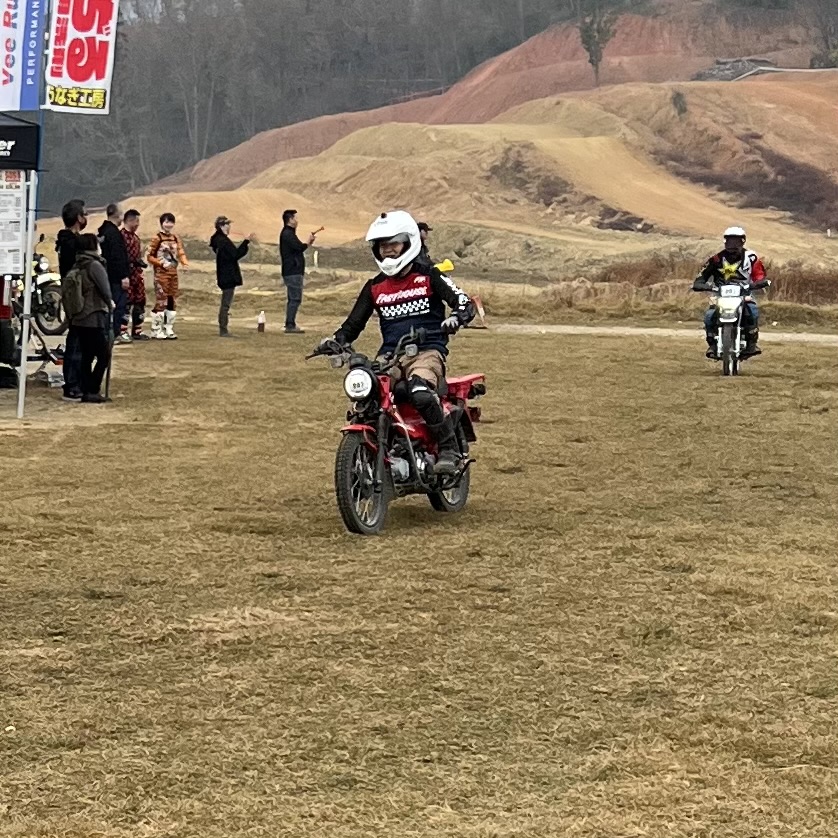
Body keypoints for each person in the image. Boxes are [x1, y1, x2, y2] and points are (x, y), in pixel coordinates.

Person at [318, 210, 476, 475]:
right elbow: (353, 325)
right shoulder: (375, 287)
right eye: (382, 245)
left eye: (394, 243)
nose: (388, 250)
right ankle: (382, 449)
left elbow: (463, 302)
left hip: (427, 352)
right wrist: (336, 341)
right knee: (367, 393)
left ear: (409, 242)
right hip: (390, 356)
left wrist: (457, 318)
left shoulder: (430, 276)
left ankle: (447, 448)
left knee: (419, 391)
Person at [694, 226, 767, 359]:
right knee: (709, 316)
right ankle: (712, 345)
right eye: (729, 240)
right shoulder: (716, 259)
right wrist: (701, 284)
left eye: (735, 241)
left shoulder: (751, 258)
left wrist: (758, 283)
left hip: (744, 294)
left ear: (743, 241)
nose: (732, 244)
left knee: (752, 311)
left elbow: (760, 276)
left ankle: (751, 344)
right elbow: (701, 276)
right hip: (720, 295)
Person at [68, 233, 113, 403]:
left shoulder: (78, 263)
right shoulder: (94, 265)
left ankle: (86, 388)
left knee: (87, 355)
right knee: (103, 355)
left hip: (78, 316)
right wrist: (110, 303)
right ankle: (92, 389)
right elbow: (106, 290)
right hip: (92, 315)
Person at [56, 199, 87, 402]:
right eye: (84, 214)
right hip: (75, 294)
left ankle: (77, 381)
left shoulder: (68, 240)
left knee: (79, 339)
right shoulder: (70, 242)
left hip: (76, 293)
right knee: (75, 339)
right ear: (78, 218)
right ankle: (72, 384)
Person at [146, 212, 189, 340]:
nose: (169, 224)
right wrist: (160, 263)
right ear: (161, 223)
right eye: (166, 222)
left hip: (173, 273)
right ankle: (156, 329)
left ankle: (168, 327)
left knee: (172, 299)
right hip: (161, 273)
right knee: (161, 300)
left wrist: (184, 263)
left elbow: (180, 251)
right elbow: (149, 256)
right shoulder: (157, 238)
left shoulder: (175, 238)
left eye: (171, 222)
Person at [210, 216, 253, 337]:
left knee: (225, 303)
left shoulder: (217, 240)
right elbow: (235, 254)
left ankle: (223, 328)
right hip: (228, 275)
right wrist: (246, 242)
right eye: (227, 225)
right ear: (221, 226)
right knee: (226, 304)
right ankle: (223, 329)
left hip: (223, 275)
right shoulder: (223, 241)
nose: (229, 227)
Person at [98, 203, 132, 345]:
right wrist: (123, 276)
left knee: (108, 306)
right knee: (118, 306)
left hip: (105, 275)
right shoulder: (114, 234)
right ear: (117, 215)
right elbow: (117, 257)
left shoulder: (102, 232)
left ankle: (107, 333)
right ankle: (114, 333)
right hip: (116, 278)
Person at [279, 208, 316, 334]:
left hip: (292, 271)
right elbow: (298, 247)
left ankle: (290, 323)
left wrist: (308, 244)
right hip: (293, 271)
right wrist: (308, 242)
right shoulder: (288, 234)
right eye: (295, 218)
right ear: (290, 220)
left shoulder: (288, 233)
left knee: (293, 298)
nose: (297, 221)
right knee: (294, 298)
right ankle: (290, 324)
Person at [121, 209, 149, 340]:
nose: (138, 224)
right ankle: (122, 330)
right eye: (136, 221)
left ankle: (137, 330)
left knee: (140, 301)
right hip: (127, 274)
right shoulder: (121, 237)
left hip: (137, 274)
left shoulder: (136, 238)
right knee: (126, 302)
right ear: (130, 220)